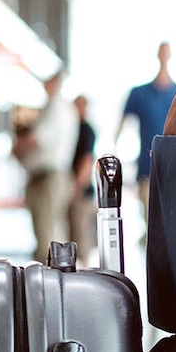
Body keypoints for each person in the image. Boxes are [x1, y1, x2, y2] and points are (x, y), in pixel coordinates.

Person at [20, 71, 78, 263]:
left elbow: (37, 139)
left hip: (48, 176)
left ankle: (47, 275)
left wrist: (17, 147)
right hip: (50, 176)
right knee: (51, 228)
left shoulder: (56, 108)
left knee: (47, 231)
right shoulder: (62, 108)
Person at [119, 41, 176, 218]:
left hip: (173, 169)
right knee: (150, 219)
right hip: (147, 167)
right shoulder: (139, 93)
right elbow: (122, 124)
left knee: (171, 219)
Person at [67, 93, 98, 264]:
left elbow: (87, 160)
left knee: (81, 235)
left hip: (81, 191)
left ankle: (84, 268)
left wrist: (78, 187)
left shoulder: (86, 130)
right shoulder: (73, 128)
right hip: (75, 187)